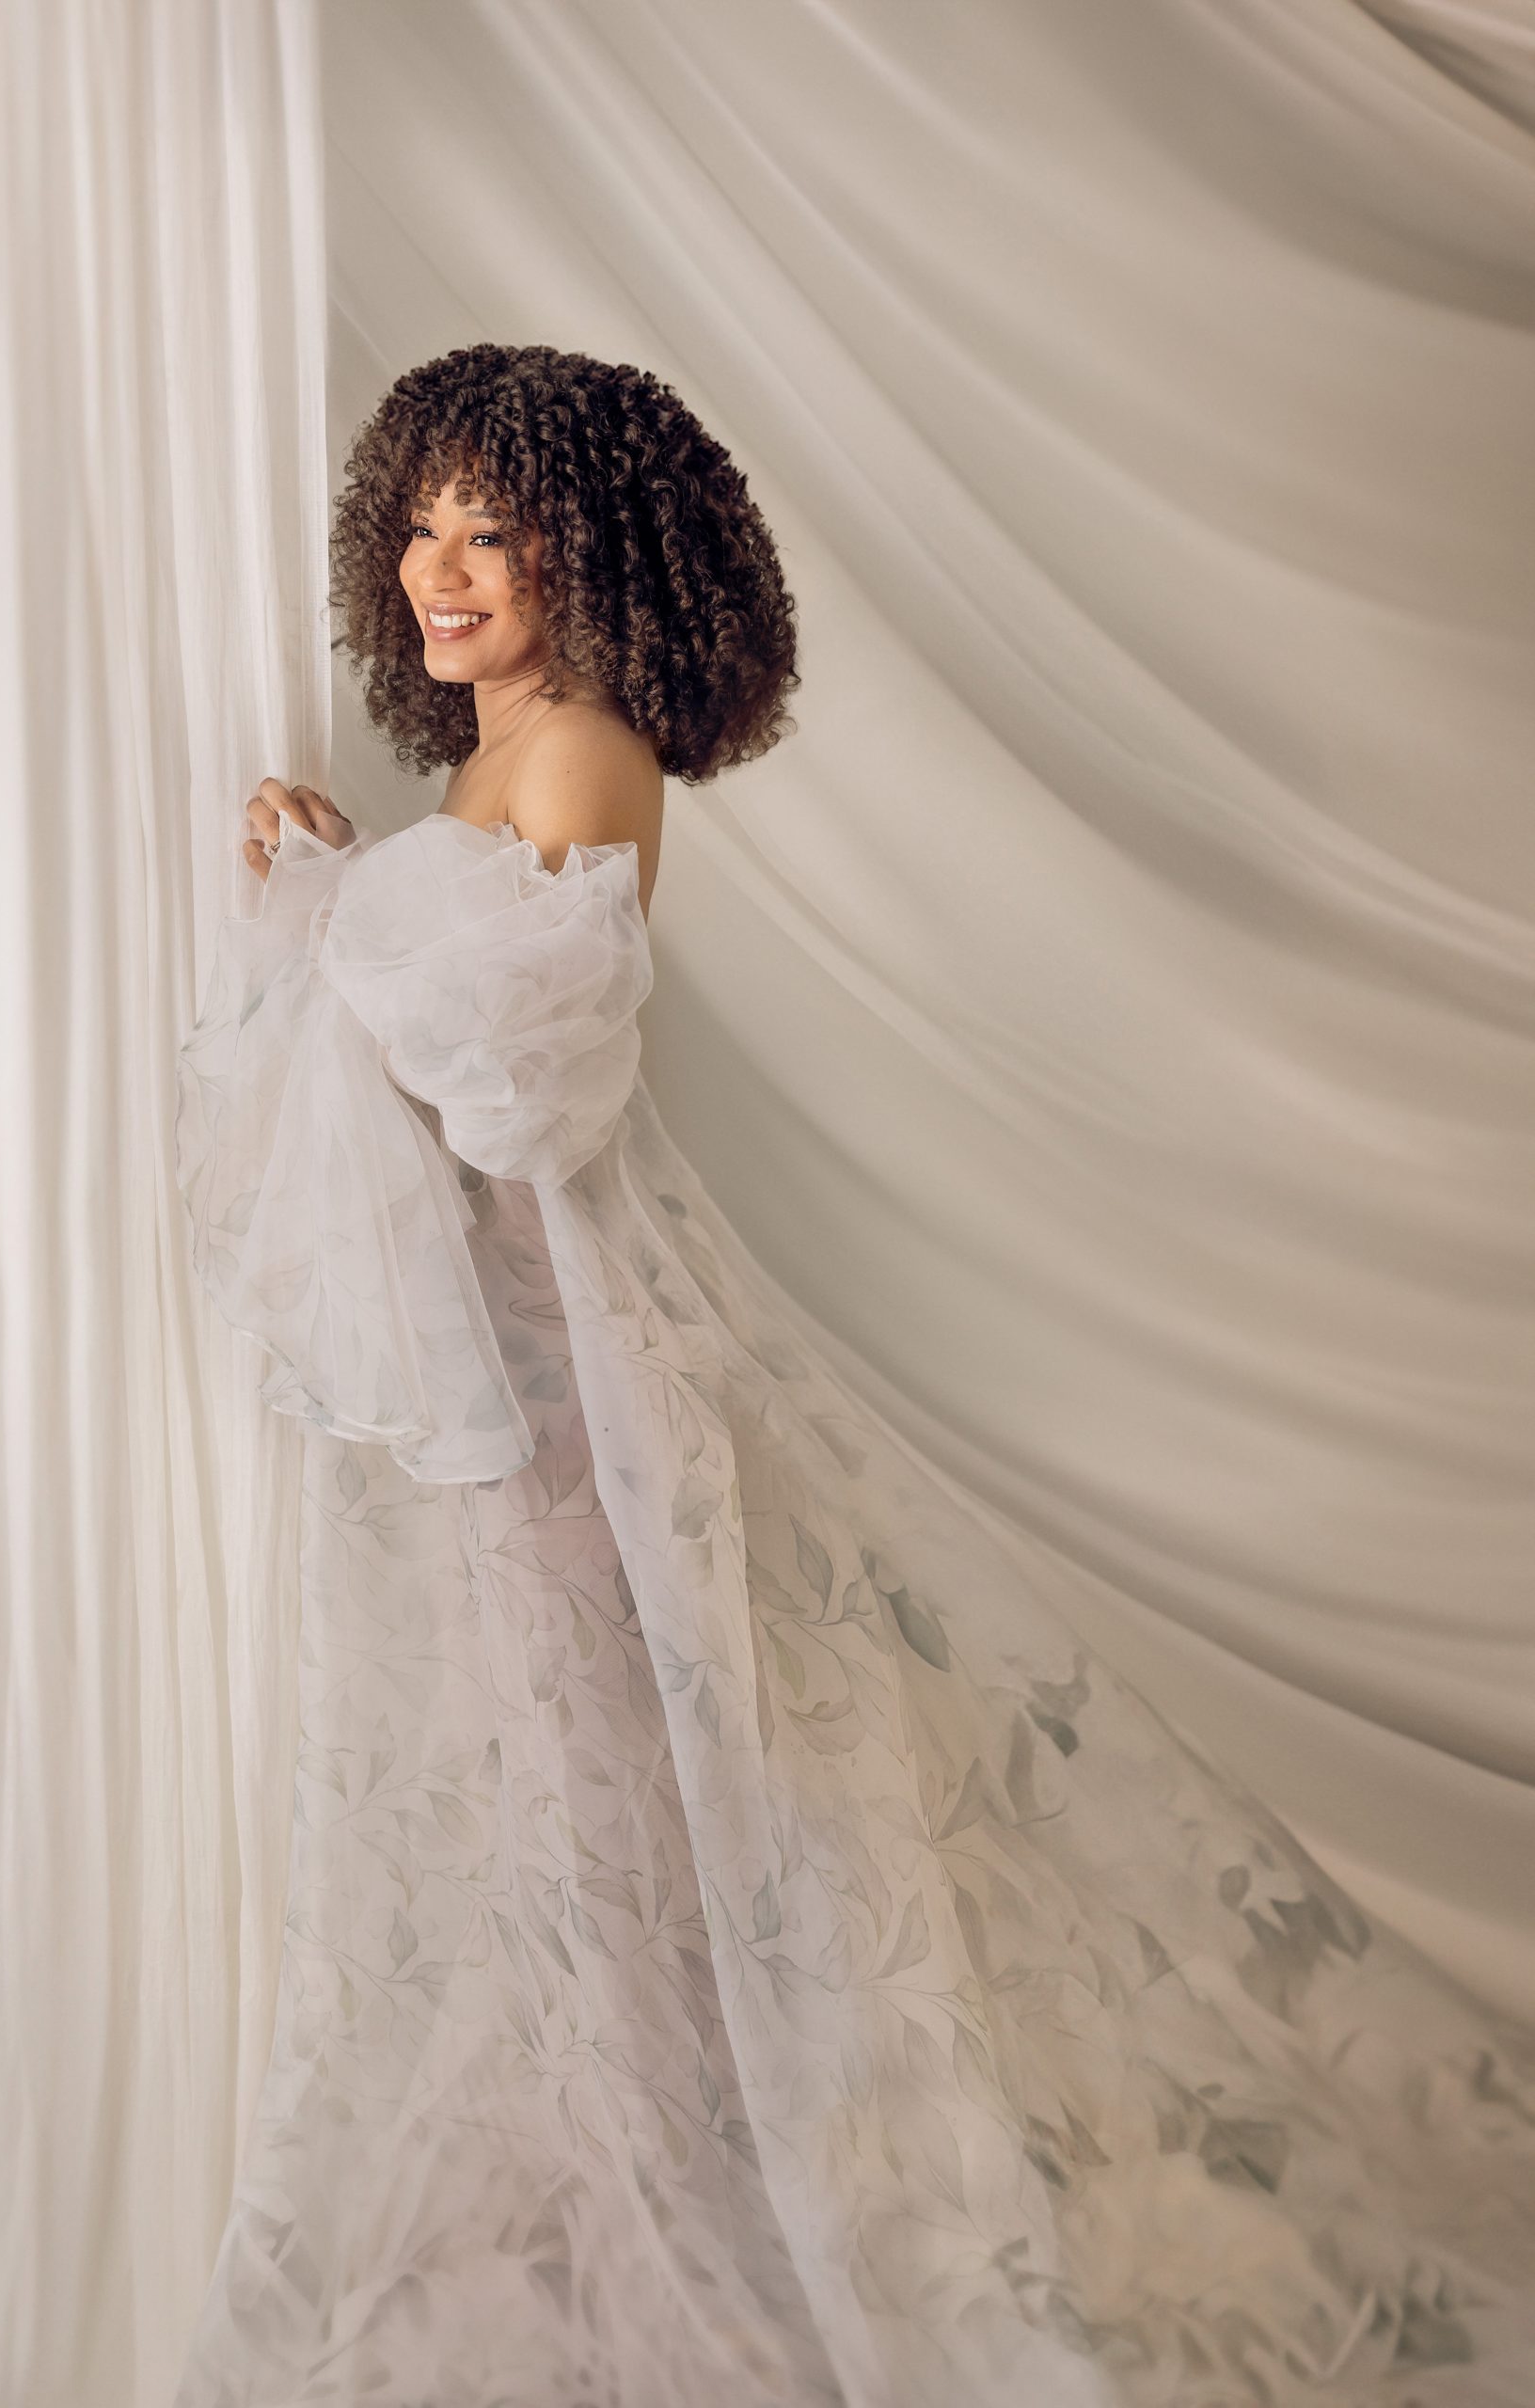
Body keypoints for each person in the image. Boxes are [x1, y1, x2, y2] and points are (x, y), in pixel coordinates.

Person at [172, 345, 1535, 2408]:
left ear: (591, 556)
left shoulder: (585, 751)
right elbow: (426, 1007)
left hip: (568, 1376)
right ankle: (607, 2205)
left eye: (493, 531)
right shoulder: (489, 760)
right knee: (542, 1802)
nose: (440, 568)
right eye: (422, 526)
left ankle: (718, 2215)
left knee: (635, 1800)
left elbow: (517, 1088)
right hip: (503, 1369)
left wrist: (334, 907)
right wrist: (343, 876)